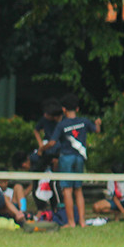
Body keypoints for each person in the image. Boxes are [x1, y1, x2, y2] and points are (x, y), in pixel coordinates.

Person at [50, 93, 101, 228]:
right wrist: (97, 123)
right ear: (77, 109)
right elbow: (96, 130)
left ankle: (71, 222)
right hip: (80, 157)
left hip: (66, 158)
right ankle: (82, 222)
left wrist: (42, 148)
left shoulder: (61, 125)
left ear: (64, 109)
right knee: (78, 189)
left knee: (67, 190)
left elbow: (53, 142)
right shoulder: (84, 121)